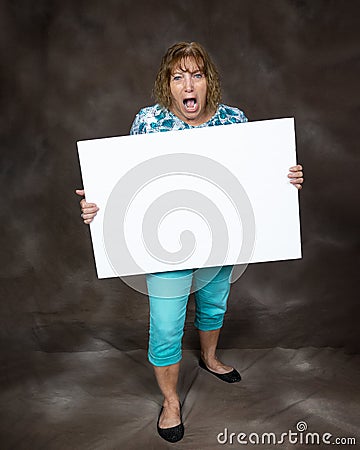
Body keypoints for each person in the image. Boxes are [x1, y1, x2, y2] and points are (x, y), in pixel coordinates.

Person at [76, 41, 304, 443]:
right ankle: (170, 401)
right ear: (168, 84)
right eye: (178, 76)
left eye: (196, 74)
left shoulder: (234, 120)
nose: (188, 84)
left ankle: (211, 358)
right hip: (164, 240)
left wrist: (285, 179)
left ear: (207, 81)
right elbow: (129, 182)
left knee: (215, 301)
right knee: (166, 326)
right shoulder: (148, 121)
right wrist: (99, 206)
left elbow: (255, 175)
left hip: (222, 235)